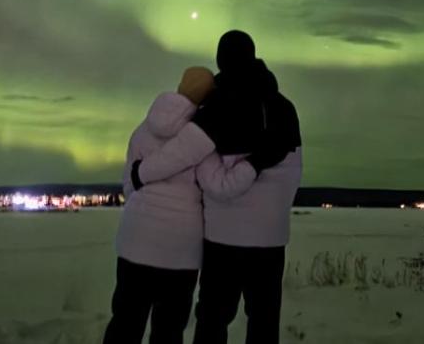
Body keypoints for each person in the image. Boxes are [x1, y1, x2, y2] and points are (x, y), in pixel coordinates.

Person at [133, 31, 302, 344]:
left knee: (212, 319)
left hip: (223, 240)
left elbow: (182, 154)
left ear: (220, 60)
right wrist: (274, 208)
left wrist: (140, 173)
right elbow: (293, 172)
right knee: (264, 320)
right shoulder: (285, 108)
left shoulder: (217, 106)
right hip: (271, 238)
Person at [104, 66, 260, 344]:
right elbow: (219, 186)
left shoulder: (143, 129)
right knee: (168, 330)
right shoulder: (202, 137)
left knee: (125, 322)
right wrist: (255, 164)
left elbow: (129, 179)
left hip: (134, 239)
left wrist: (140, 206)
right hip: (179, 249)